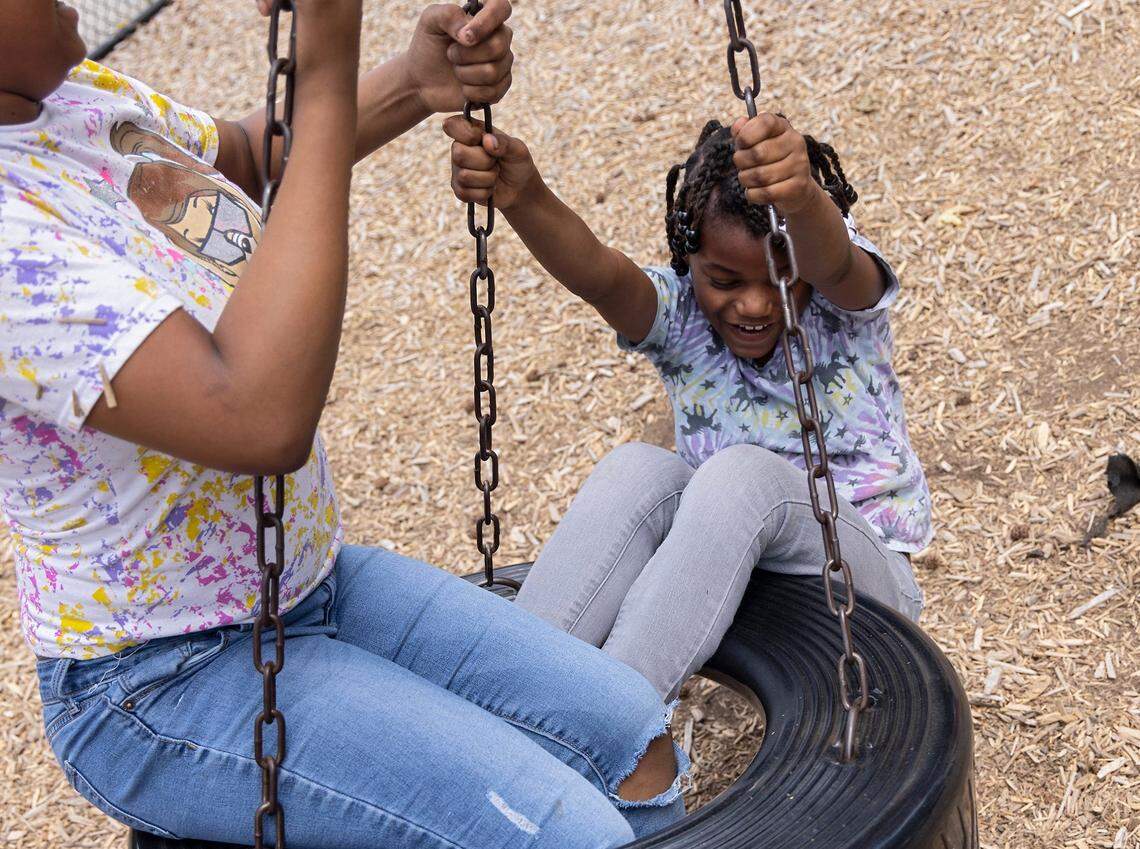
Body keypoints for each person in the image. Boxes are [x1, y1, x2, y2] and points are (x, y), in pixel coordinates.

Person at [1, 2, 685, 846]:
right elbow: (256, 416)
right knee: (568, 834)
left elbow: (244, 161)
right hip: (159, 675)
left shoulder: (67, 97)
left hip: (311, 584)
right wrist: (323, 60)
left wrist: (409, 81)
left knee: (629, 737)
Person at [445, 107, 931, 703]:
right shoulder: (682, 318)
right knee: (635, 468)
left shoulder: (835, 300)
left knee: (738, 474)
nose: (754, 305)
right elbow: (600, 276)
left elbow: (832, 261)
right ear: (689, 263)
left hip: (858, 572)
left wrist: (801, 198)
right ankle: (509, 710)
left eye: (778, 282)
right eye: (724, 281)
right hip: (733, 562)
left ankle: (609, 723)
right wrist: (524, 197)